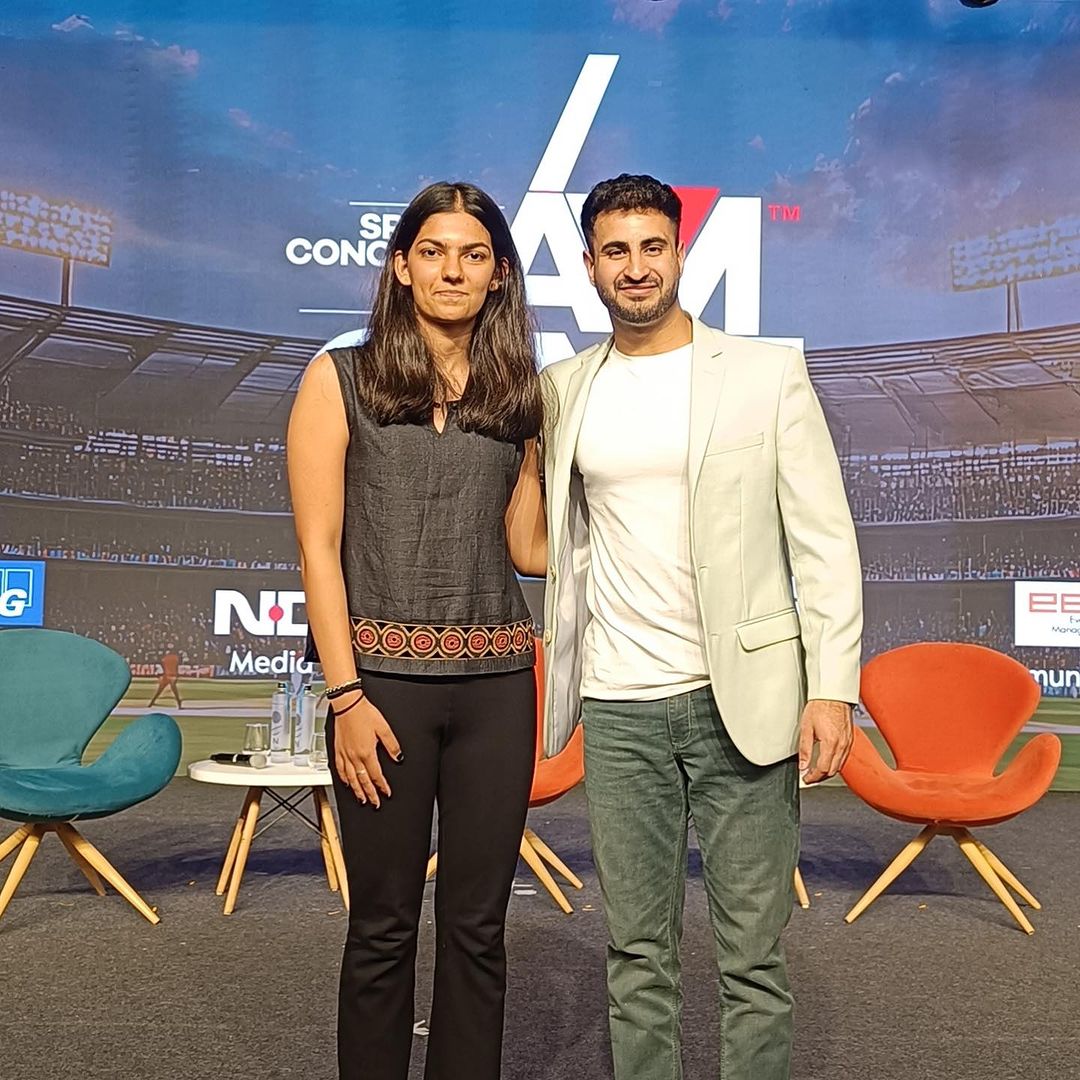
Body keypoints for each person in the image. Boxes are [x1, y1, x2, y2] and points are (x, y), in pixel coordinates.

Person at [540, 174, 863, 1080]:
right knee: (636, 953)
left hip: (745, 702)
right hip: (618, 705)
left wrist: (832, 688)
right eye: (616, 250)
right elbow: (549, 543)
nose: (635, 267)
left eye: (653, 247)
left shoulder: (766, 374)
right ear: (589, 266)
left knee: (752, 960)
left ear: (681, 255)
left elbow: (824, 540)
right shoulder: (560, 389)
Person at [287, 181, 546, 1080]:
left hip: (498, 690)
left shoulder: (522, 395)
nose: (452, 271)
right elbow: (319, 550)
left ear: (499, 274)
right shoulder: (339, 378)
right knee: (382, 925)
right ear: (401, 266)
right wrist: (345, 695)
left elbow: (529, 549)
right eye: (433, 252)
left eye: (474, 255)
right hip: (379, 693)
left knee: (478, 928)